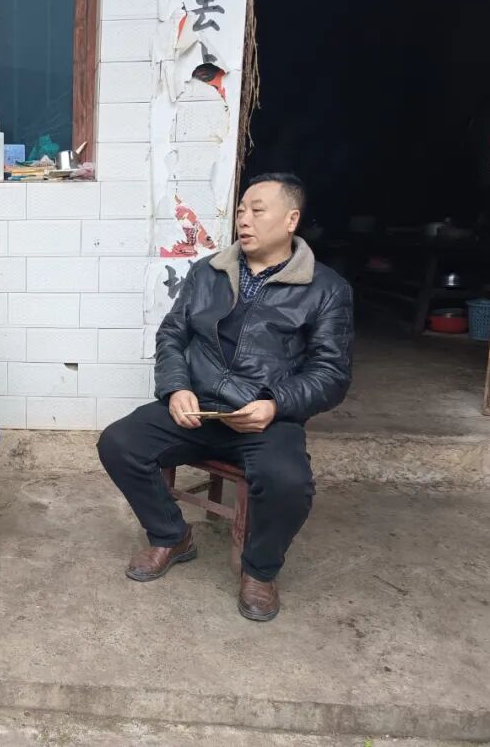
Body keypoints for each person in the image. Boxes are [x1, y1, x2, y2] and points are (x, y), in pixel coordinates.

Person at [97, 173, 353, 622]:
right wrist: (176, 388)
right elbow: (172, 335)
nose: (244, 220)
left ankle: (260, 570)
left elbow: (331, 374)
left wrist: (276, 403)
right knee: (118, 442)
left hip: (264, 419)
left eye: (258, 210)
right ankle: (171, 535)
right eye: (240, 211)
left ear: (291, 219)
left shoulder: (326, 289)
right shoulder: (208, 271)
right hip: (198, 408)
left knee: (289, 483)